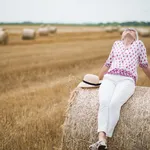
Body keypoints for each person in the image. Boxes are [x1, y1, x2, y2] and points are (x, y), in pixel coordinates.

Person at [89, 28, 150, 150]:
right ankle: (101, 138)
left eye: (132, 30)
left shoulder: (139, 44)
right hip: (110, 78)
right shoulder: (116, 44)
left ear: (136, 36)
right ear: (122, 35)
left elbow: (144, 65)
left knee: (114, 104)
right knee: (104, 103)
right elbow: (108, 63)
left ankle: (104, 138)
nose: (129, 30)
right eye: (126, 30)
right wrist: (97, 80)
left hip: (127, 80)